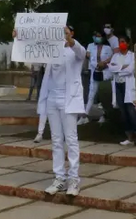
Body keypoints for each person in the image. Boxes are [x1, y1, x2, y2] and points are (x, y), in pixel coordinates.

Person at [34, 24, 86, 197]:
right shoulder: (51, 51)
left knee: (71, 139)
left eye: (67, 32)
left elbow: (82, 53)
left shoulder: (75, 51)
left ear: (71, 33)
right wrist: (19, 38)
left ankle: (74, 179)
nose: (63, 35)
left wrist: (70, 41)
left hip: (68, 99)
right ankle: (59, 177)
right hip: (52, 99)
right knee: (56, 140)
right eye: (61, 33)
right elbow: (31, 48)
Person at [109, 35, 136, 147]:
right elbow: (111, 68)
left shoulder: (133, 56)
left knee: (132, 112)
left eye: (123, 42)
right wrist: (122, 67)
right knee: (123, 113)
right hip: (118, 85)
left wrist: (118, 68)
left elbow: (130, 70)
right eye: (119, 42)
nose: (121, 44)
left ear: (128, 44)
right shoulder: (115, 56)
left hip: (128, 85)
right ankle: (129, 137)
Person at [79, 31, 112, 126]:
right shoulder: (92, 46)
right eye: (96, 36)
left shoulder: (107, 48)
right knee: (92, 93)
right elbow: (90, 57)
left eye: (99, 36)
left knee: (104, 94)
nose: (97, 38)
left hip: (105, 72)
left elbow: (111, 58)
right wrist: (98, 65)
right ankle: (85, 116)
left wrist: (104, 63)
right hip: (96, 71)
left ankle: (104, 115)